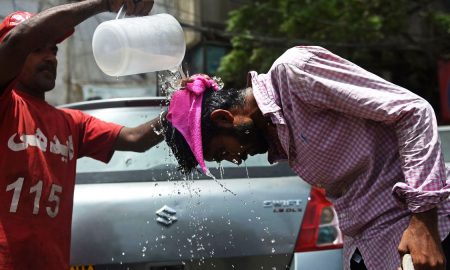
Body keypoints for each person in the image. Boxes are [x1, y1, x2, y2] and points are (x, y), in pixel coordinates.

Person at [164, 47, 450, 269]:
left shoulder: (294, 73)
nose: (236, 160)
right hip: (374, 248)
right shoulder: (278, 135)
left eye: (223, 152)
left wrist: (424, 224)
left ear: (225, 118)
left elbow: (414, 112)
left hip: (426, 234)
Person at [0, 0, 165, 269]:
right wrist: (106, 3)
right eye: (37, 49)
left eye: (53, 50)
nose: (50, 57)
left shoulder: (71, 123)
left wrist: (184, 109)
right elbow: (18, 40)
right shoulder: (5, 106)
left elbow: (137, 139)